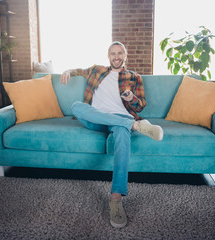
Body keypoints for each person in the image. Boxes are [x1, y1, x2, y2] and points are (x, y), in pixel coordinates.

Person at [60, 41, 163, 228]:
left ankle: (116, 199)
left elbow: (141, 105)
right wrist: (67, 71)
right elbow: (77, 71)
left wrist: (132, 98)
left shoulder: (134, 77)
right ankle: (136, 126)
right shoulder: (96, 70)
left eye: (119, 53)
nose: (116, 57)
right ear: (108, 56)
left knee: (122, 135)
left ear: (125, 55)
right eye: (113, 53)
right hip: (97, 118)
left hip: (120, 119)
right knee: (76, 106)